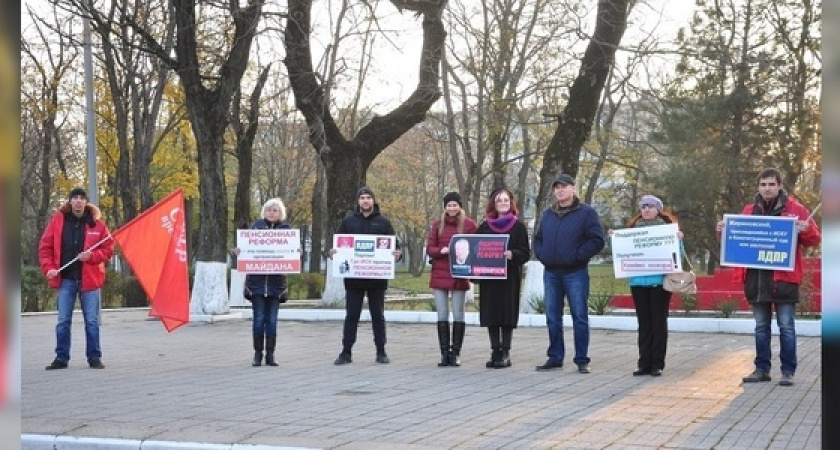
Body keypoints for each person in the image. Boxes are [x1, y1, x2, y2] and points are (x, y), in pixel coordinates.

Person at [717, 168, 820, 386]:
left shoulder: (795, 210)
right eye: (763, 184)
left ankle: (788, 371)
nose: (767, 188)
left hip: (784, 280)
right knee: (761, 327)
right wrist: (723, 231)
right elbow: (735, 240)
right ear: (758, 187)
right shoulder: (748, 210)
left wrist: (806, 229)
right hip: (756, 281)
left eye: (771, 184)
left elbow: (814, 239)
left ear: (780, 186)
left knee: (786, 327)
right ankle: (761, 369)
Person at [533, 174, 605, 374]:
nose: (560, 191)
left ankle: (582, 359)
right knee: (552, 317)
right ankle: (555, 357)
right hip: (551, 273)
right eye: (556, 187)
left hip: (576, 273)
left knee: (579, 316)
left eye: (564, 187)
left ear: (573, 189)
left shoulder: (586, 213)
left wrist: (577, 256)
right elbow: (537, 239)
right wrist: (543, 255)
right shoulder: (548, 214)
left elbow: (597, 240)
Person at [39, 187, 114, 370]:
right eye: (75, 198)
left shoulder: (98, 225)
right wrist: (49, 268)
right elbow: (45, 247)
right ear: (70, 202)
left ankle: (94, 357)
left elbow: (108, 249)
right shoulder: (58, 222)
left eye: (82, 198)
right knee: (63, 321)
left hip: (90, 281)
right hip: (65, 279)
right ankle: (61, 358)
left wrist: (92, 257)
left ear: (86, 202)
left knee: (91, 321)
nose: (78, 201)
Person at [610, 195, 684, 377]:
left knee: (658, 323)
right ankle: (643, 363)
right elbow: (622, 253)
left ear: (658, 209)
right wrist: (616, 239)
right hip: (638, 282)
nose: (646, 210)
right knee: (644, 323)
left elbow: (678, 257)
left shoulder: (667, 231)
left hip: (659, 283)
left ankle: (657, 363)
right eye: (643, 207)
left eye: (650, 206)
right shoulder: (632, 231)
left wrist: (679, 240)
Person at [331, 186, 402, 365]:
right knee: (351, 315)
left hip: (376, 279)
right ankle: (346, 352)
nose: (365, 201)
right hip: (354, 279)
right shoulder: (348, 222)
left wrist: (398, 253)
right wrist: (332, 252)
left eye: (368, 198)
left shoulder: (384, 223)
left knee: (377, 315)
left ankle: (381, 351)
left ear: (373, 201)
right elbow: (337, 246)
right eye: (362, 198)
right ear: (358, 201)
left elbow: (396, 246)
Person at [476, 187, 531, 369]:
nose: (503, 203)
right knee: (491, 314)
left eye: (506, 200)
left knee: (506, 314)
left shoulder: (518, 226)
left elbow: (525, 252)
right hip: (489, 278)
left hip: (509, 278)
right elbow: (475, 249)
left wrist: (512, 254)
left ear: (511, 203)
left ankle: (505, 352)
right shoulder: (484, 226)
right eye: (499, 200)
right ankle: (495, 350)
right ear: (494, 203)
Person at [236, 198, 290, 367]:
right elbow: (244, 251)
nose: (271, 213)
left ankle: (271, 355)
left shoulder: (287, 231)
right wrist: (237, 251)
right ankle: (258, 354)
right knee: (259, 319)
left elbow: (291, 255)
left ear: (281, 213)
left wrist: (298, 252)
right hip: (257, 284)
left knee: (272, 320)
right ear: (264, 212)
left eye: (275, 210)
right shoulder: (255, 228)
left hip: (276, 285)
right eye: (269, 210)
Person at [426, 192, 478, 367]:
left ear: (460, 206)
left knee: (458, 314)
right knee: (441, 313)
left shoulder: (469, 225)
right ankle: (444, 354)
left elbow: (477, 246)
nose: (452, 208)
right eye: (449, 205)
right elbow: (430, 248)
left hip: (459, 274)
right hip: (440, 273)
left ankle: (455, 353)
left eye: (455, 205)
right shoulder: (437, 225)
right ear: (445, 207)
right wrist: (441, 251)